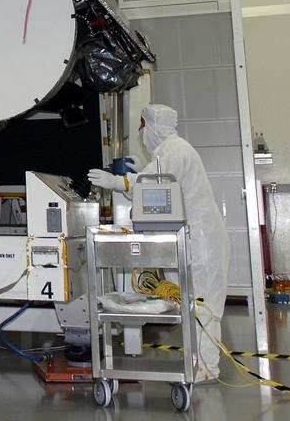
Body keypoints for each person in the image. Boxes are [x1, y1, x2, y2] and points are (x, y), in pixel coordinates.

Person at [87, 104, 229, 381]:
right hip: (197, 237)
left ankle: (207, 369)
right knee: (195, 303)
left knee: (204, 305)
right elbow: (160, 178)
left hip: (202, 241)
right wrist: (145, 170)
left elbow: (155, 182)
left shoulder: (174, 149)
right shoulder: (172, 150)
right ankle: (199, 364)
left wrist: (118, 182)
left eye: (142, 126)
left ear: (154, 127)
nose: (141, 132)